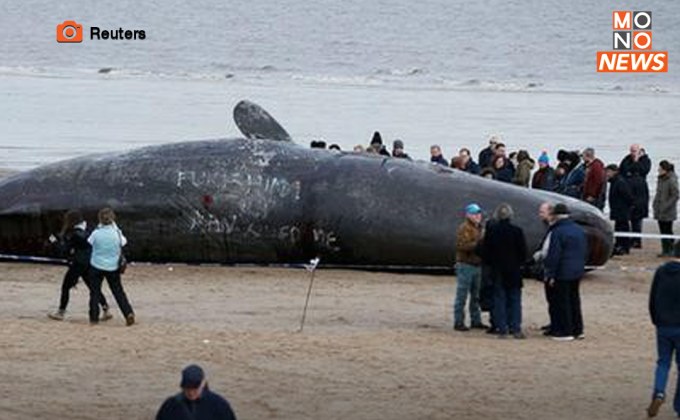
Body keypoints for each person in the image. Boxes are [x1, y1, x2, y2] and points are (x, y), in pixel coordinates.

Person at [47, 210, 112, 321]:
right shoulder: (90, 229)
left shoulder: (74, 234)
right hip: (90, 262)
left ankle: (61, 312)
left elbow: (64, 250)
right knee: (93, 288)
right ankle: (106, 309)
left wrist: (54, 241)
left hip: (78, 264)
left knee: (66, 287)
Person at [482, 204, 528, 339]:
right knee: (514, 299)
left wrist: (491, 264)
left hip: (498, 270)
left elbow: (486, 252)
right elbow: (522, 253)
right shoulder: (517, 231)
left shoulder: (492, 231)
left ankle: (502, 328)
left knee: (499, 299)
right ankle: (516, 328)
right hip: (514, 271)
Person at [543, 204, 587, 341]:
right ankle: (577, 329)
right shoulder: (578, 230)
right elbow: (585, 250)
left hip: (562, 271)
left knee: (562, 301)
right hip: (577, 270)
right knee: (574, 300)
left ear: (555, 216)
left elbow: (554, 255)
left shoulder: (557, 232)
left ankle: (564, 331)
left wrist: (550, 274)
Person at [646, 241, 680, 418]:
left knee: (663, 362)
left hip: (663, 325)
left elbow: (653, 298)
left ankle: (659, 392)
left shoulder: (661, 271)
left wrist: (656, 320)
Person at [87, 208, 135, 326]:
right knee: (118, 291)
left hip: (96, 265)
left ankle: (94, 317)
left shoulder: (96, 233)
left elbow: (89, 242)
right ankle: (128, 312)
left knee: (95, 292)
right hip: (113, 266)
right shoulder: (117, 233)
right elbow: (123, 242)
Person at [156, 364, 237, 420]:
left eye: (195, 389)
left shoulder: (219, 405)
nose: (191, 393)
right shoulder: (170, 405)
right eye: (187, 389)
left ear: (203, 383)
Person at [453, 203, 487, 331]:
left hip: (477, 264)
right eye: (474, 213)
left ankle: (476, 320)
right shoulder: (464, 228)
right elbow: (462, 246)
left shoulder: (480, 228)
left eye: (478, 213)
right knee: (462, 294)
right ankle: (458, 321)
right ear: (468, 215)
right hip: (466, 265)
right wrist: (479, 243)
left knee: (476, 295)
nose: (478, 216)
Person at [533, 202, 558, 336]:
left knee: (554, 298)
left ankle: (555, 324)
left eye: (542, 212)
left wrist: (538, 256)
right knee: (551, 299)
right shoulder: (550, 227)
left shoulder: (554, 229)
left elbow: (549, 250)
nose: (540, 214)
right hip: (550, 267)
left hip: (551, 268)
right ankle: (553, 322)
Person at [620, 144, 652, 248]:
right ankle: (629, 239)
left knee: (637, 219)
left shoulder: (646, 160)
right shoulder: (626, 159)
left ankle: (637, 240)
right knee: (627, 217)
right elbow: (623, 170)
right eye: (631, 151)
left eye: (634, 151)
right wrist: (631, 169)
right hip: (628, 190)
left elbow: (643, 170)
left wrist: (636, 161)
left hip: (640, 193)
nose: (632, 153)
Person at [606, 164, 635, 255]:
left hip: (622, 210)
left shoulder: (620, 182)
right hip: (617, 210)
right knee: (619, 228)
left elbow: (628, 196)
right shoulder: (614, 182)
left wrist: (627, 207)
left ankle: (623, 247)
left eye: (609, 172)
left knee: (623, 228)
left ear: (615, 172)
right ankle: (619, 245)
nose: (607, 174)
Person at [653, 161, 679, 257]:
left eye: (660, 169)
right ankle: (665, 249)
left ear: (665, 170)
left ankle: (671, 250)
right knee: (662, 231)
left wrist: (666, 206)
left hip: (668, 211)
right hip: (659, 209)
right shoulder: (661, 179)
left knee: (667, 230)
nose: (658, 170)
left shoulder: (671, 180)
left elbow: (675, 195)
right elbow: (658, 193)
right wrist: (655, 204)